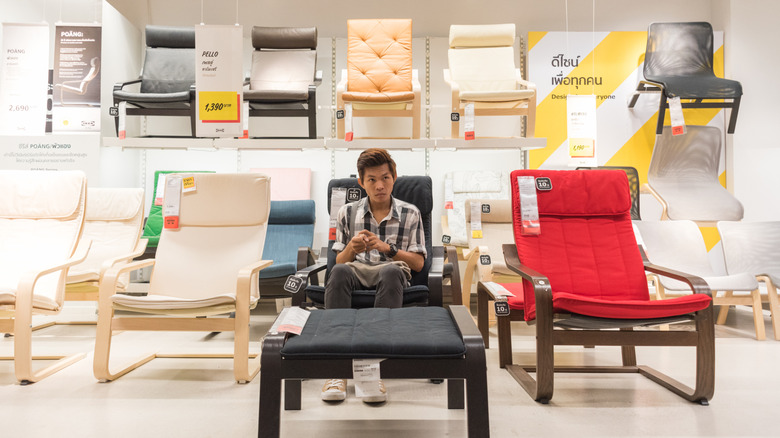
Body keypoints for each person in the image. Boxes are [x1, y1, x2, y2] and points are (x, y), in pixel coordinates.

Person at [321, 148, 427, 404]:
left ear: (394, 177)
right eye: (372, 180)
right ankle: (336, 370)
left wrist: (387, 248)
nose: (380, 185)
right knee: (340, 271)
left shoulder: (411, 213)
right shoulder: (347, 213)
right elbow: (338, 261)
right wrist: (351, 248)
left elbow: (419, 263)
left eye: (385, 178)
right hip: (358, 269)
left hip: (391, 272)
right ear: (361, 182)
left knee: (391, 270)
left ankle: (372, 370)